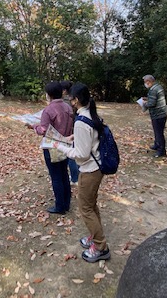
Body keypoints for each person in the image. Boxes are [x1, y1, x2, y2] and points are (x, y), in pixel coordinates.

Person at [54, 83, 110, 263]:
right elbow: (90, 138)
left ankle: (101, 248)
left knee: (85, 208)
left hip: (90, 170)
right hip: (97, 166)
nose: (69, 100)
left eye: (70, 98)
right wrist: (74, 138)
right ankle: (95, 237)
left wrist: (61, 147)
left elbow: (82, 154)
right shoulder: (90, 114)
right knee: (91, 205)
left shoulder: (80, 121)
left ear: (76, 100)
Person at [28, 82, 74, 214]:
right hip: (66, 144)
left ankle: (60, 207)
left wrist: (33, 126)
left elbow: (43, 130)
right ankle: (66, 203)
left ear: (49, 95)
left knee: (56, 177)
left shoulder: (48, 110)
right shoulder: (68, 107)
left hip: (52, 146)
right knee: (64, 173)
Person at [141, 75, 167, 158]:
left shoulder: (153, 89)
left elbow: (152, 103)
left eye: (145, 82)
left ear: (149, 81)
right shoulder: (158, 87)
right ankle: (157, 145)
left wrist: (144, 103)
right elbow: (154, 99)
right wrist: (147, 98)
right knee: (158, 132)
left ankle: (161, 151)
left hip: (158, 114)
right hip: (161, 113)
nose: (145, 84)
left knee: (159, 133)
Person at [60, 80, 79, 185]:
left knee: (70, 155)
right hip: (73, 129)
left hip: (70, 131)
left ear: (63, 91)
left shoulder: (66, 102)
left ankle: (75, 178)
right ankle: (76, 175)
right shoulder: (72, 99)